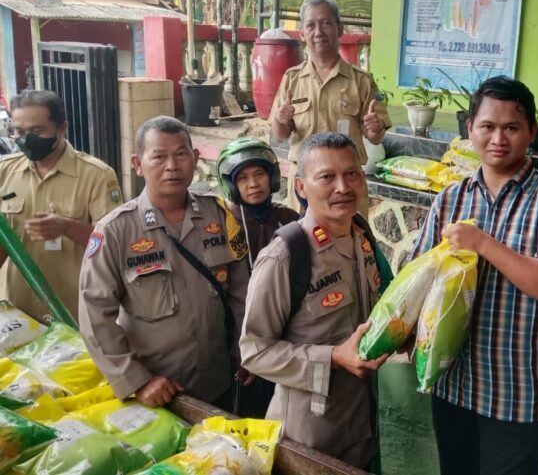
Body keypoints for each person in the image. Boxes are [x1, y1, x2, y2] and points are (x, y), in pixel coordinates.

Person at [408, 76, 538, 475]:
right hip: (452, 385)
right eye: (487, 126)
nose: (498, 139)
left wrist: (483, 244)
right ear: (469, 128)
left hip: (515, 396)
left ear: (532, 132)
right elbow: (419, 278)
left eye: (512, 127)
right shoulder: (450, 198)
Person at [78, 116, 250, 409]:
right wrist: (136, 380)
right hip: (157, 393)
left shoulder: (220, 215)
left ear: (195, 158)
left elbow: (242, 292)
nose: (172, 166)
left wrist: (247, 350)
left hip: (221, 381)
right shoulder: (115, 231)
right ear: (138, 164)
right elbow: (94, 316)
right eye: (159, 157)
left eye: (181, 154)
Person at [240, 132, 387, 469]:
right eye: (327, 177)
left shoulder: (361, 234)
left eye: (351, 174)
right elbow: (254, 351)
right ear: (301, 187)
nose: (343, 187)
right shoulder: (285, 255)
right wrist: (333, 357)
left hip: (363, 424)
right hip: (309, 437)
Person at [0, 90, 122, 321]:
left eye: (37, 131)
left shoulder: (96, 175)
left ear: (62, 128)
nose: (27, 139)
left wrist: (66, 227)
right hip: (24, 315)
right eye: (20, 132)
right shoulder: (5, 172)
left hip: (78, 315)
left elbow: (114, 244)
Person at [268, 0, 392, 216]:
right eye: (311, 25)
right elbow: (280, 134)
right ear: (302, 33)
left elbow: (375, 136)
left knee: (349, 236)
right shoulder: (292, 79)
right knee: (303, 237)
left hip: (345, 184)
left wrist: (374, 128)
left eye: (326, 23)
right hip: (305, 184)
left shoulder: (361, 81)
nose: (318, 32)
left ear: (339, 29)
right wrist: (280, 119)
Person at [214, 137, 299, 416]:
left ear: (272, 177)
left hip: (287, 338)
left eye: (259, 174)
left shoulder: (289, 218)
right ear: (231, 185)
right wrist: (240, 350)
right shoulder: (225, 222)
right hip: (241, 341)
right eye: (243, 178)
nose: (253, 184)